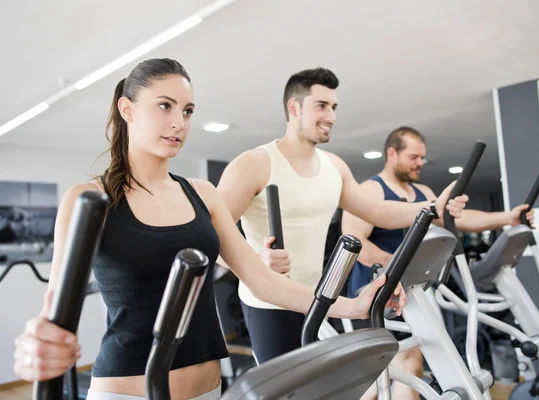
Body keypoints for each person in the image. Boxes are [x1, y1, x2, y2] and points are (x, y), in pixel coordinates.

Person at [12, 59, 404, 400]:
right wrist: (36, 341)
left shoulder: (203, 194)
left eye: (187, 111)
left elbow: (263, 282)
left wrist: (351, 306)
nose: (179, 122)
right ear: (127, 109)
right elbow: (54, 309)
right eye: (165, 106)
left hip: (209, 388)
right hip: (125, 389)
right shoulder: (89, 200)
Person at [215, 68, 468, 365]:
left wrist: (433, 208)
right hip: (269, 304)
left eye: (333, 107)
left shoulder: (334, 166)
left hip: (319, 297)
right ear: (293, 108)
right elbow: (211, 239)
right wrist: (257, 262)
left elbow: (377, 211)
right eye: (321, 106)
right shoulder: (254, 164)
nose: (331, 116)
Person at [342, 126, 535, 400]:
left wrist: (507, 218)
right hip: (377, 296)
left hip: (414, 294)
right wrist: (395, 268)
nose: (421, 162)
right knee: (398, 366)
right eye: (414, 157)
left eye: (423, 157)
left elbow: (460, 219)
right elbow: (356, 244)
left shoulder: (422, 192)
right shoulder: (370, 191)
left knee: (405, 365)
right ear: (392, 153)